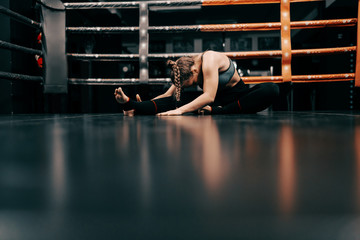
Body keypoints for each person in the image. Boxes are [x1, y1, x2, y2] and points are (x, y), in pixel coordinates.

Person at [114, 50, 279, 116]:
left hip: (239, 100)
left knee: (271, 89)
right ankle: (132, 106)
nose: (189, 86)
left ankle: (220, 112)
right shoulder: (184, 67)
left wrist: (179, 112)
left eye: (190, 83)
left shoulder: (210, 59)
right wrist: (147, 105)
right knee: (175, 101)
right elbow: (168, 95)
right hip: (216, 103)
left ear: (194, 72)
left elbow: (208, 96)